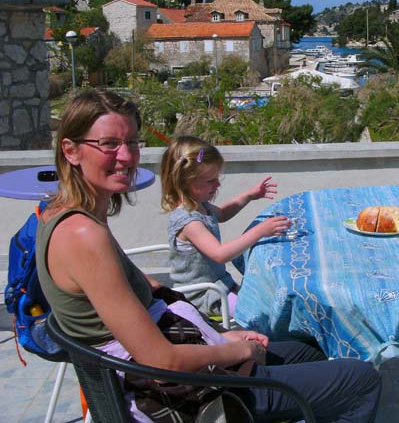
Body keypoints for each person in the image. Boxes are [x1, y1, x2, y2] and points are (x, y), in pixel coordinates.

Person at [36, 89, 381, 423]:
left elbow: (147, 294)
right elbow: (161, 360)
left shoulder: (69, 214)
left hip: (185, 359)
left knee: (310, 349)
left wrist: (217, 335)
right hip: (187, 396)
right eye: (109, 144)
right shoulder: (83, 235)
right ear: (71, 150)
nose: (126, 156)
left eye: (131, 142)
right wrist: (236, 350)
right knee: (361, 380)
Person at [160, 136, 286, 318]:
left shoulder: (199, 205)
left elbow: (223, 214)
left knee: (266, 294)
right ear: (185, 181)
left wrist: (249, 196)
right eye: (210, 180)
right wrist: (260, 231)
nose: (217, 184)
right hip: (203, 297)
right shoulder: (189, 220)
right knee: (263, 311)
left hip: (220, 286)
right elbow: (220, 254)